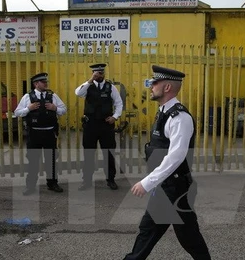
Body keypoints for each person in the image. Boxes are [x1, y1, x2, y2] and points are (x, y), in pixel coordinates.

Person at [123, 65, 211, 260]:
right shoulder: (163, 112)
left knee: (187, 236)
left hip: (175, 187)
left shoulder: (180, 118)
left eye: (155, 82)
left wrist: (147, 183)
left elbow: (175, 157)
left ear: (167, 87)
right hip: (166, 185)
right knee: (149, 231)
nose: (151, 86)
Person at [14, 72, 67, 195]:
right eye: (43, 82)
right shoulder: (28, 97)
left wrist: (55, 108)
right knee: (33, 161)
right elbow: (17, 112)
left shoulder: (52, 95)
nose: (46, 84)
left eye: (46, 82)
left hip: (49, 133)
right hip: (34, 134)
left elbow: (64, 109)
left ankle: (52, 183)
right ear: (36, 84)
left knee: (51, 160)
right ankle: (30, 186)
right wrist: (29, 109)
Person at [75, 63, 123, 190]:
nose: (99, 75)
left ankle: (111, 179)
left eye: (101, 73)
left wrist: (115, 117)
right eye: (96, 73)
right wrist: (90, 80)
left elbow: (119, 103)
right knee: (89, 153)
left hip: (106, 125)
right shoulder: (88, 86)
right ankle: (87, 181)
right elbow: (78, 93)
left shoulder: (110, 87)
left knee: (109, 153)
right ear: (93, 74)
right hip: (90, 125)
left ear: (104, 73)